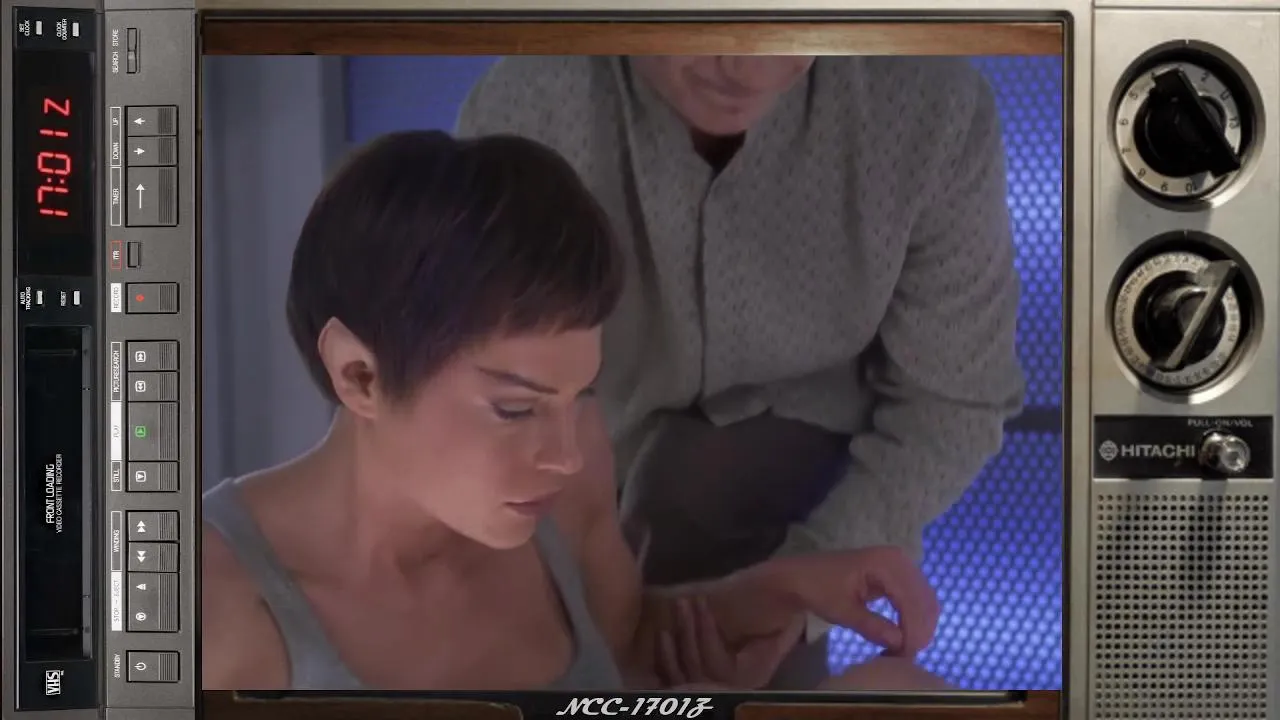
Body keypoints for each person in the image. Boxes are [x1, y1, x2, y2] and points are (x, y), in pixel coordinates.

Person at [200, 130, 944, 692]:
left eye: (579, 393)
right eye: (516, 408)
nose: (566, 453)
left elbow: (625, 646)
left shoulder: (568, 474)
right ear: (360, 376)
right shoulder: (212, 614)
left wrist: (785, 588)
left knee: (896, 691)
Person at [455, 55, 1026, 686]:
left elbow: (954, 402)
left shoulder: (931, 107)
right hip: (577, 491)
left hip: (819, 485)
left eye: (789, 23)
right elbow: (484, 395)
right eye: (709, 19)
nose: (748, 67)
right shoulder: (530, 107)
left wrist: (800, 586)